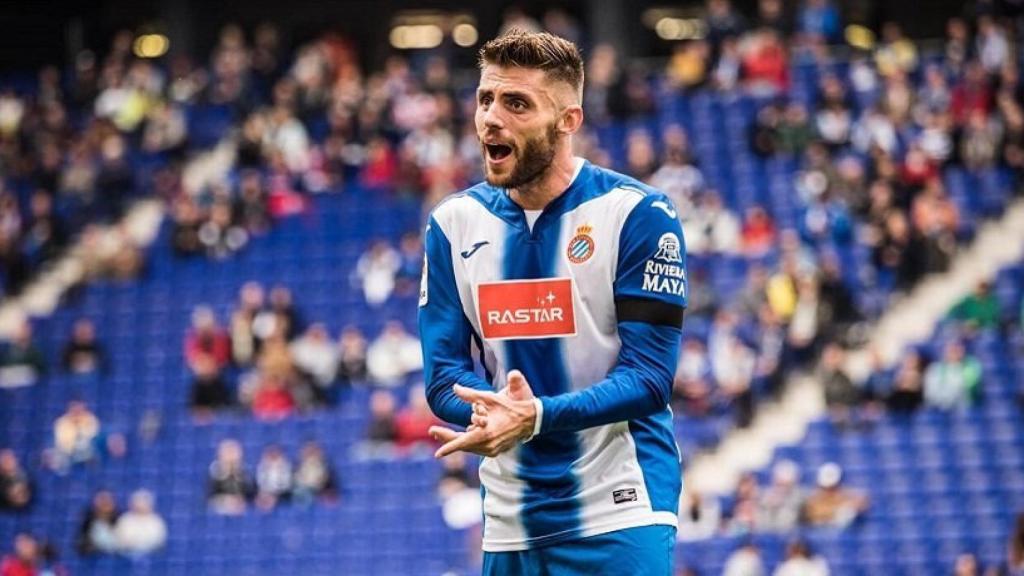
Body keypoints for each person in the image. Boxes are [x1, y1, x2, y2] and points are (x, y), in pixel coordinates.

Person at [420, 31, 687, 575]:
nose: (491, 118)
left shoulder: (637, 215)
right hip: (509, 520)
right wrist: (489, 415)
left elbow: (650, 378)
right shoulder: (451, 226)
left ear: (568, 120)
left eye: (516, 103)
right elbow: (443, 376)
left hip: (621, 511)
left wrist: (535, 416)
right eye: (484, 99)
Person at [114, 490, 167, 555]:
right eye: (138, 502)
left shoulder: (157, 521)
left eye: (144, 503)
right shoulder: (125, 519)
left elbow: (159, 542)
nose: (141, 506)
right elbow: (121, 541)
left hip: (151, 556)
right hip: (128, 555)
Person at [78, 490, 120, 555]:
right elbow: (81, 544)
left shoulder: (120, 520)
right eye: (102, 499)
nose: (105, 502)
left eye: (108, 499)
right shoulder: (88, 521)